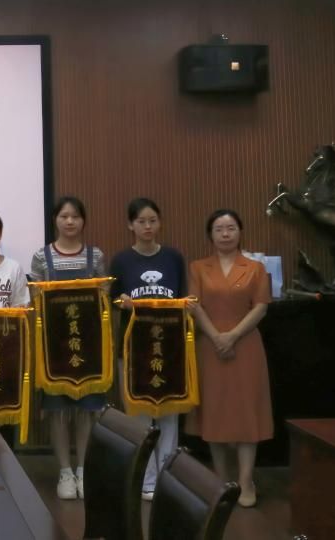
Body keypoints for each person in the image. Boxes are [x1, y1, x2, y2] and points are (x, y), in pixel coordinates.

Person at [188, 209, 272, 509]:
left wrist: (232, 336)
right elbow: (194, 306)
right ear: (210, 234)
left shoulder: (255, 268)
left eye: (231, 228)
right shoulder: (198, 268)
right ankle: (221, 480)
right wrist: (216, 337)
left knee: (247, 412)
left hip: (245, 346)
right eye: (219, 229)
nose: (225, 234)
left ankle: (246, 480)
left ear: (240, 232)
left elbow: (261, 306)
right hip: (209, 347)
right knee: (216, 412)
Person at [110, 197, 188, 501]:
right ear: (130, 225)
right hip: (133, 349)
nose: (147, 227)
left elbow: (183, 298)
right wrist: (122, 302)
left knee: (169, 414)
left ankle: (168, 476)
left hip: (169, 346)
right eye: (141, 221)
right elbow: (112, 300)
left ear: (160, 223)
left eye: (152, 220)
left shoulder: (173, 257)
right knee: (139, 414)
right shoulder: (121, 260)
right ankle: (145, 478)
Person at [30, 195, 107, 501]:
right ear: (55, 220)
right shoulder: (41, 256)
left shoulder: (95, 256)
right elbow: (35, 298)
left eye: (75, 216)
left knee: (87, 409)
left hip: (88, 344)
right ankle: (65, 470)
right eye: (64, 216)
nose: (70, 221)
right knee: (58, 410)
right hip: (54, 346)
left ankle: (84, 469)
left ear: (83, 220)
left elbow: (103, 296)